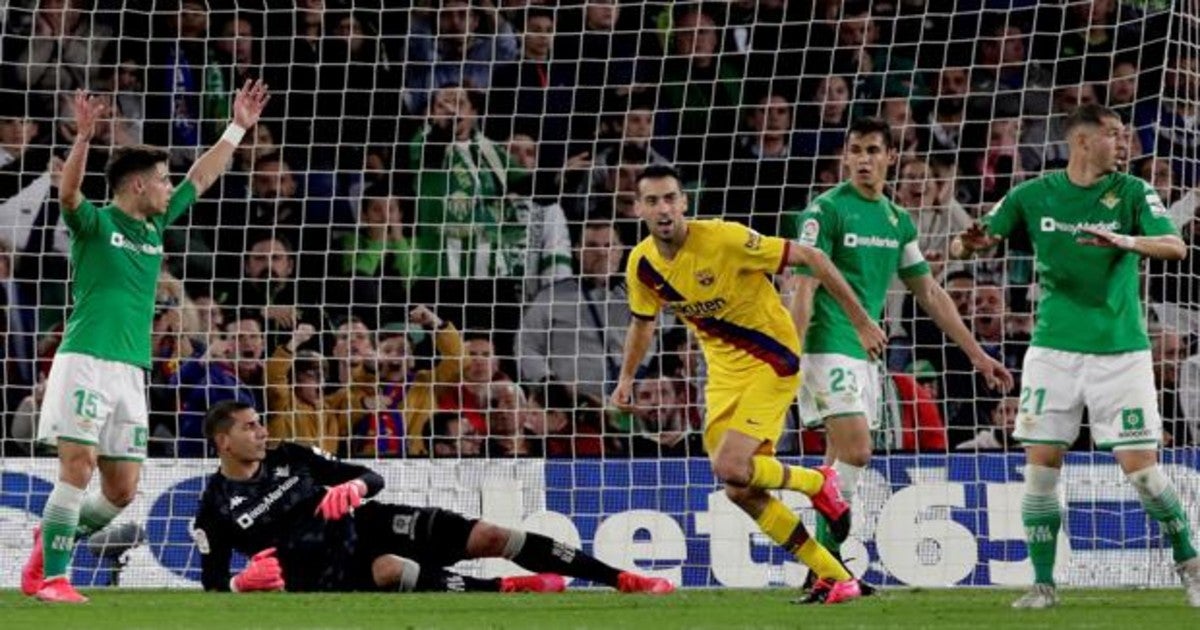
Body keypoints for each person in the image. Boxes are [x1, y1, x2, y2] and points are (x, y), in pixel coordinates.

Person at [20, 81, 270, 604]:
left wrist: (237, 128)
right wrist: (84, 139)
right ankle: (54, 580)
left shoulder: (154, 228)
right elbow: (68, 194)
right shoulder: (96, 224)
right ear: (137, 186)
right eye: (162, 179)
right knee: (77, 467)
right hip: (86, 358)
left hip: (131, 371)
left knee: (121, 491)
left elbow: (202, 175)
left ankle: (51, 544)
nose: (169, 185)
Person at [951, 103, 1200, 609]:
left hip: (1121, 352)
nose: (1124, 143)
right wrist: (966, 245)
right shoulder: (1033, 194)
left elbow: (1175, 247)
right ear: (1082, 141)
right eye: (1114, 134)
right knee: (1041, 467)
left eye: (1125, 134)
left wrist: (1124, 240)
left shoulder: (1133, 192)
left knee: (1144, 473)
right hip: (1052, 352)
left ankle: (1191, 566)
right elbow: (970, 244)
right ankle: (1043, 586)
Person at [611, 164, 888, 604]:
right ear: (637, 208)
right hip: (722, 376)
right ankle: (835, 576)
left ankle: (819, 484)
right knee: (740, 489)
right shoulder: (642, 264)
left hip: (772, 360)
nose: (663, 209)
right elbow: (643, 322)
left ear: (684, 202)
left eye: (670, 199)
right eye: (652, 201)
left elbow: (813, 258)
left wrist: (861, 321)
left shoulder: (725, 239)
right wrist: (626, 377)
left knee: (730, 466)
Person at [790, 117, 1013, 565]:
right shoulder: (825, 210)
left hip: (865, 352)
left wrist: (977, 354)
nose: (863, 159)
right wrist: (790, 355)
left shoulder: (897, 220)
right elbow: (804, 289)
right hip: (827, 344)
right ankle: (825, 566)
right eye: (855, 150)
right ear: (845, 157)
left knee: (838, 467)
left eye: (873, 150)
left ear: (891, 157)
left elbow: (929, 292)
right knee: (856, 451)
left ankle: (824, 571)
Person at [192, 400, 673, 595]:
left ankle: (622, 578)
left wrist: (354, 487)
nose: (261, 432)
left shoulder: (291, 456)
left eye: (260, 423)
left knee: (490, 534)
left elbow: (367, 475)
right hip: (320, 571)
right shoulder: (213, 507)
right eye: (249, 427)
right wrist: (241, 583)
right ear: (223, 442)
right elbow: (212, 588)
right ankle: (503, 591)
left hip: (370, 522)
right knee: (390, 571)